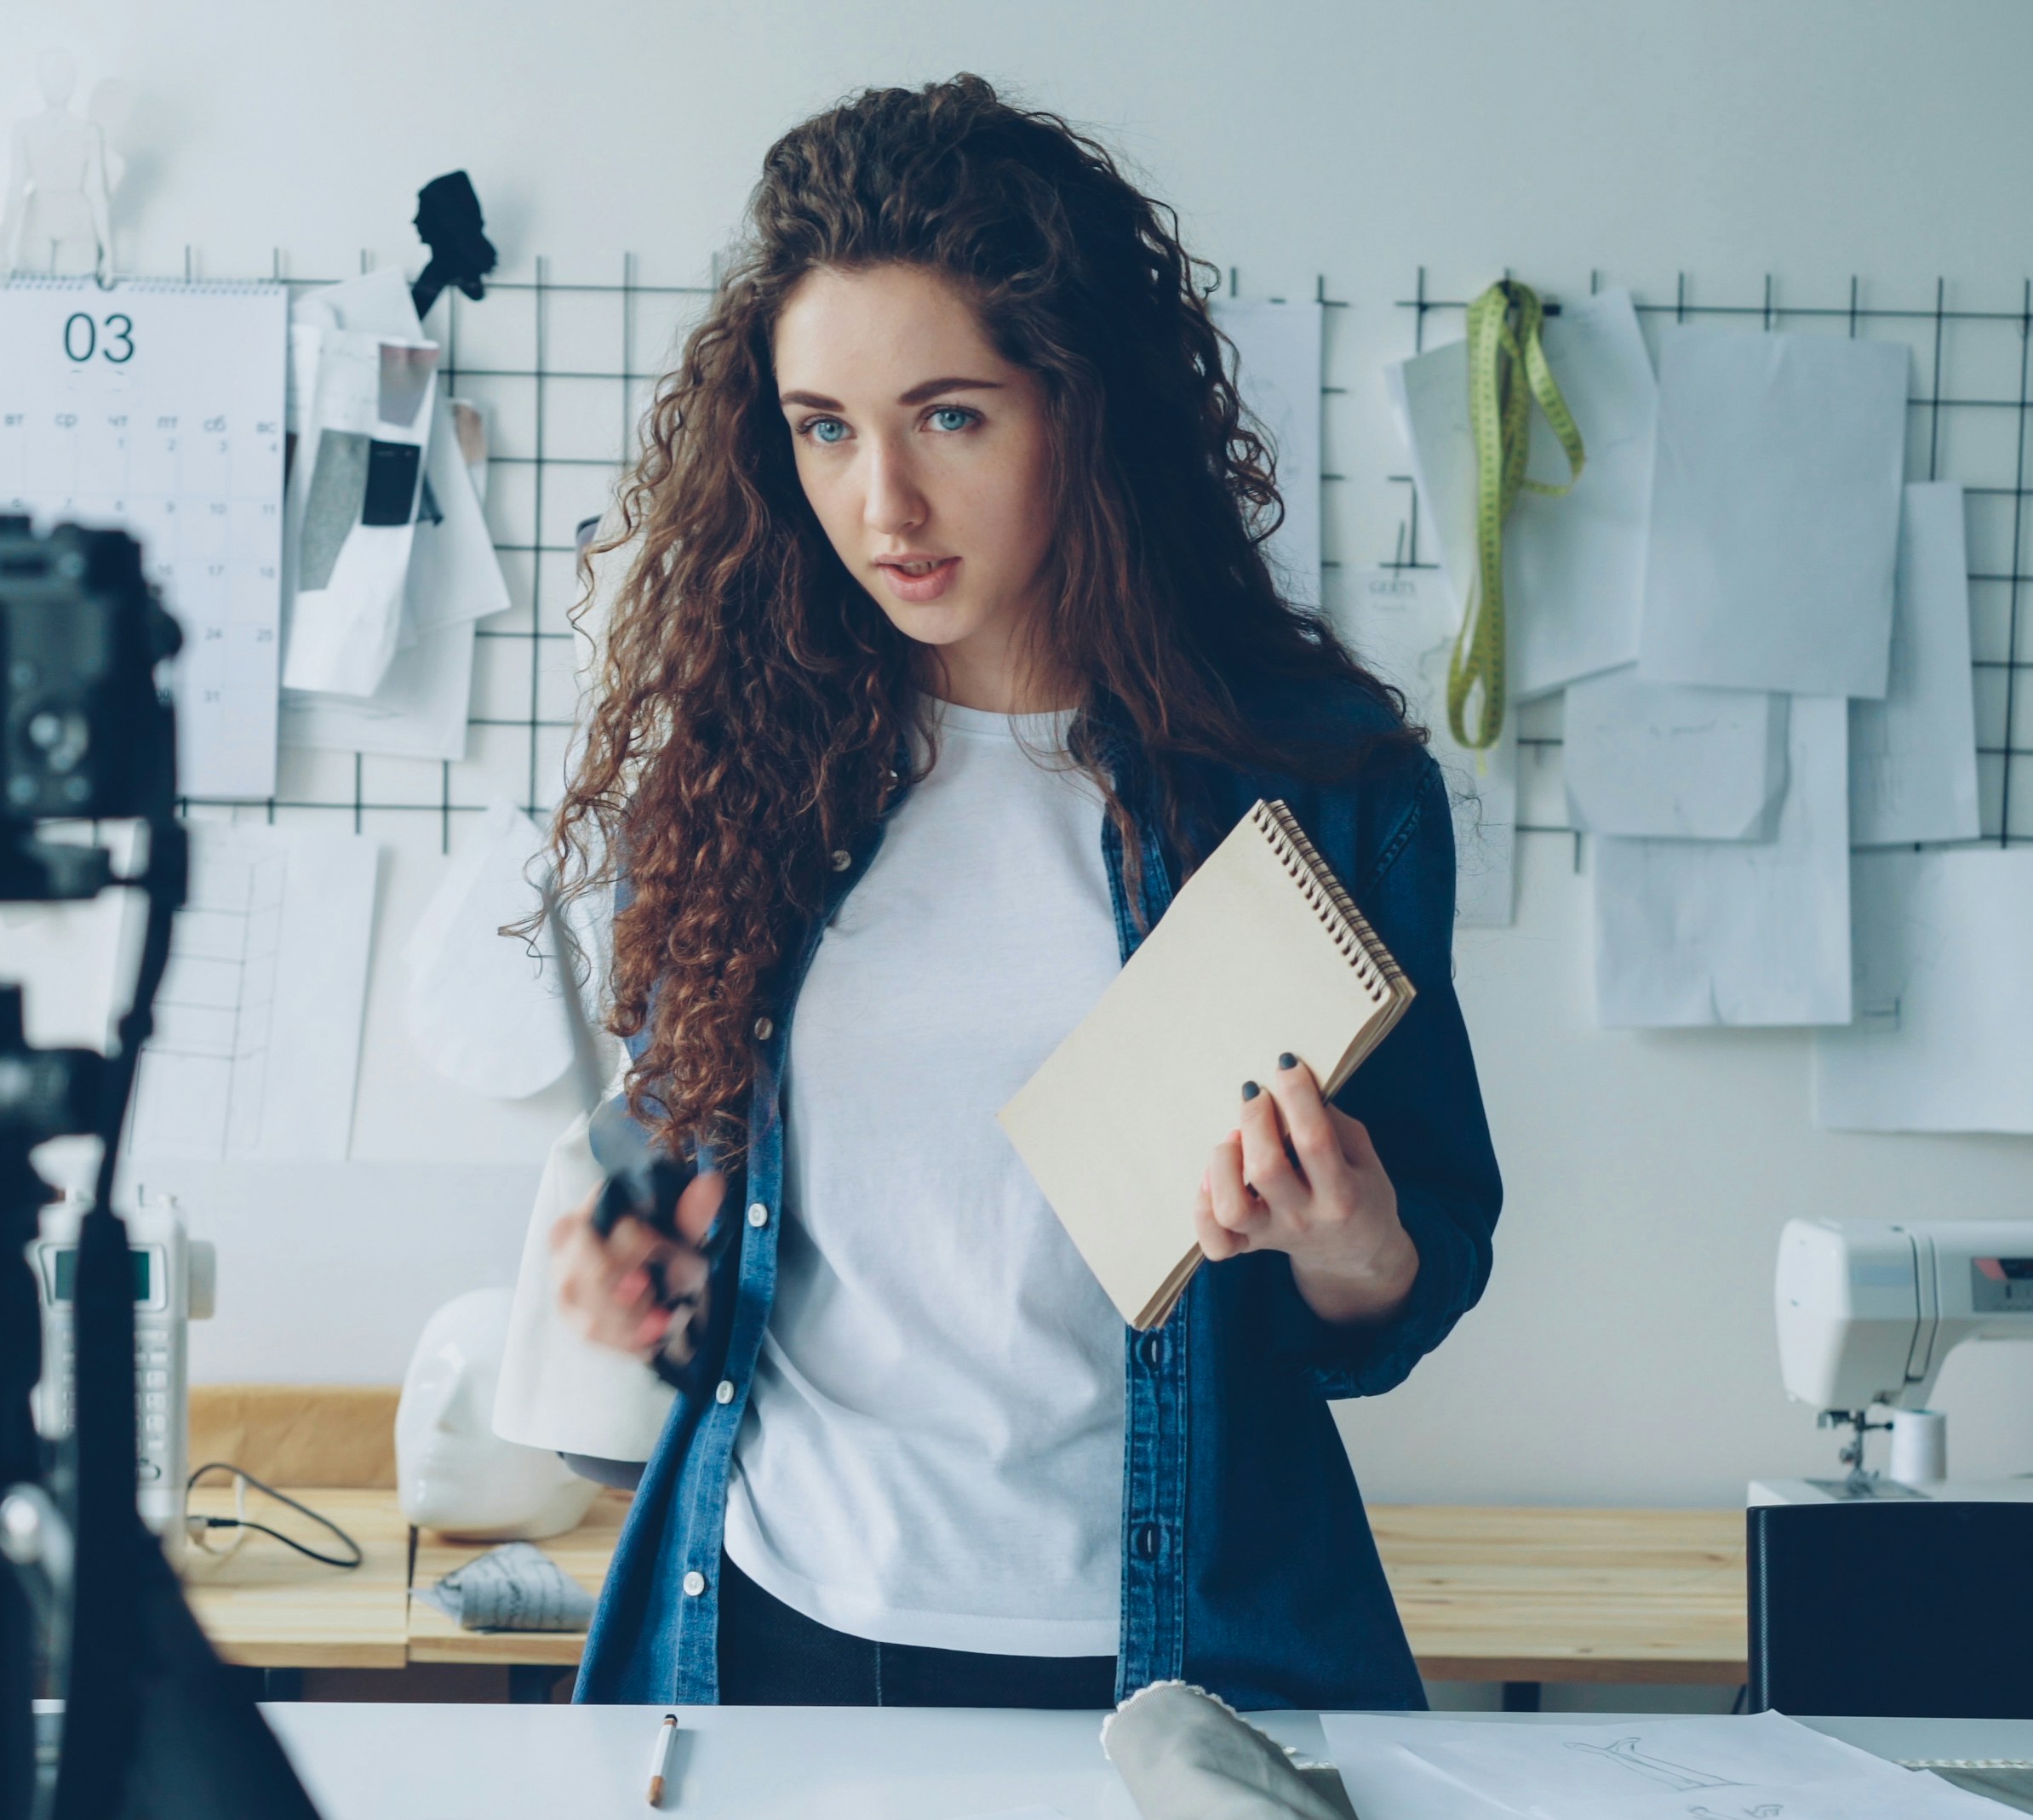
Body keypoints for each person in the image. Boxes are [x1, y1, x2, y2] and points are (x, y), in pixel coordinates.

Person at [537, 75, 1502, 1713]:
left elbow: (1407, 1283)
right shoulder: (739, 773)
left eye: (951, 416)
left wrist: (1347, 1236)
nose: (881, 506)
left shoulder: (1325, 787)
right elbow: (693, 1178)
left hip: (1165, 1671)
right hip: (770, 1629)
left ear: (1086, 405)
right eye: (825, 429)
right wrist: (641, 1268)